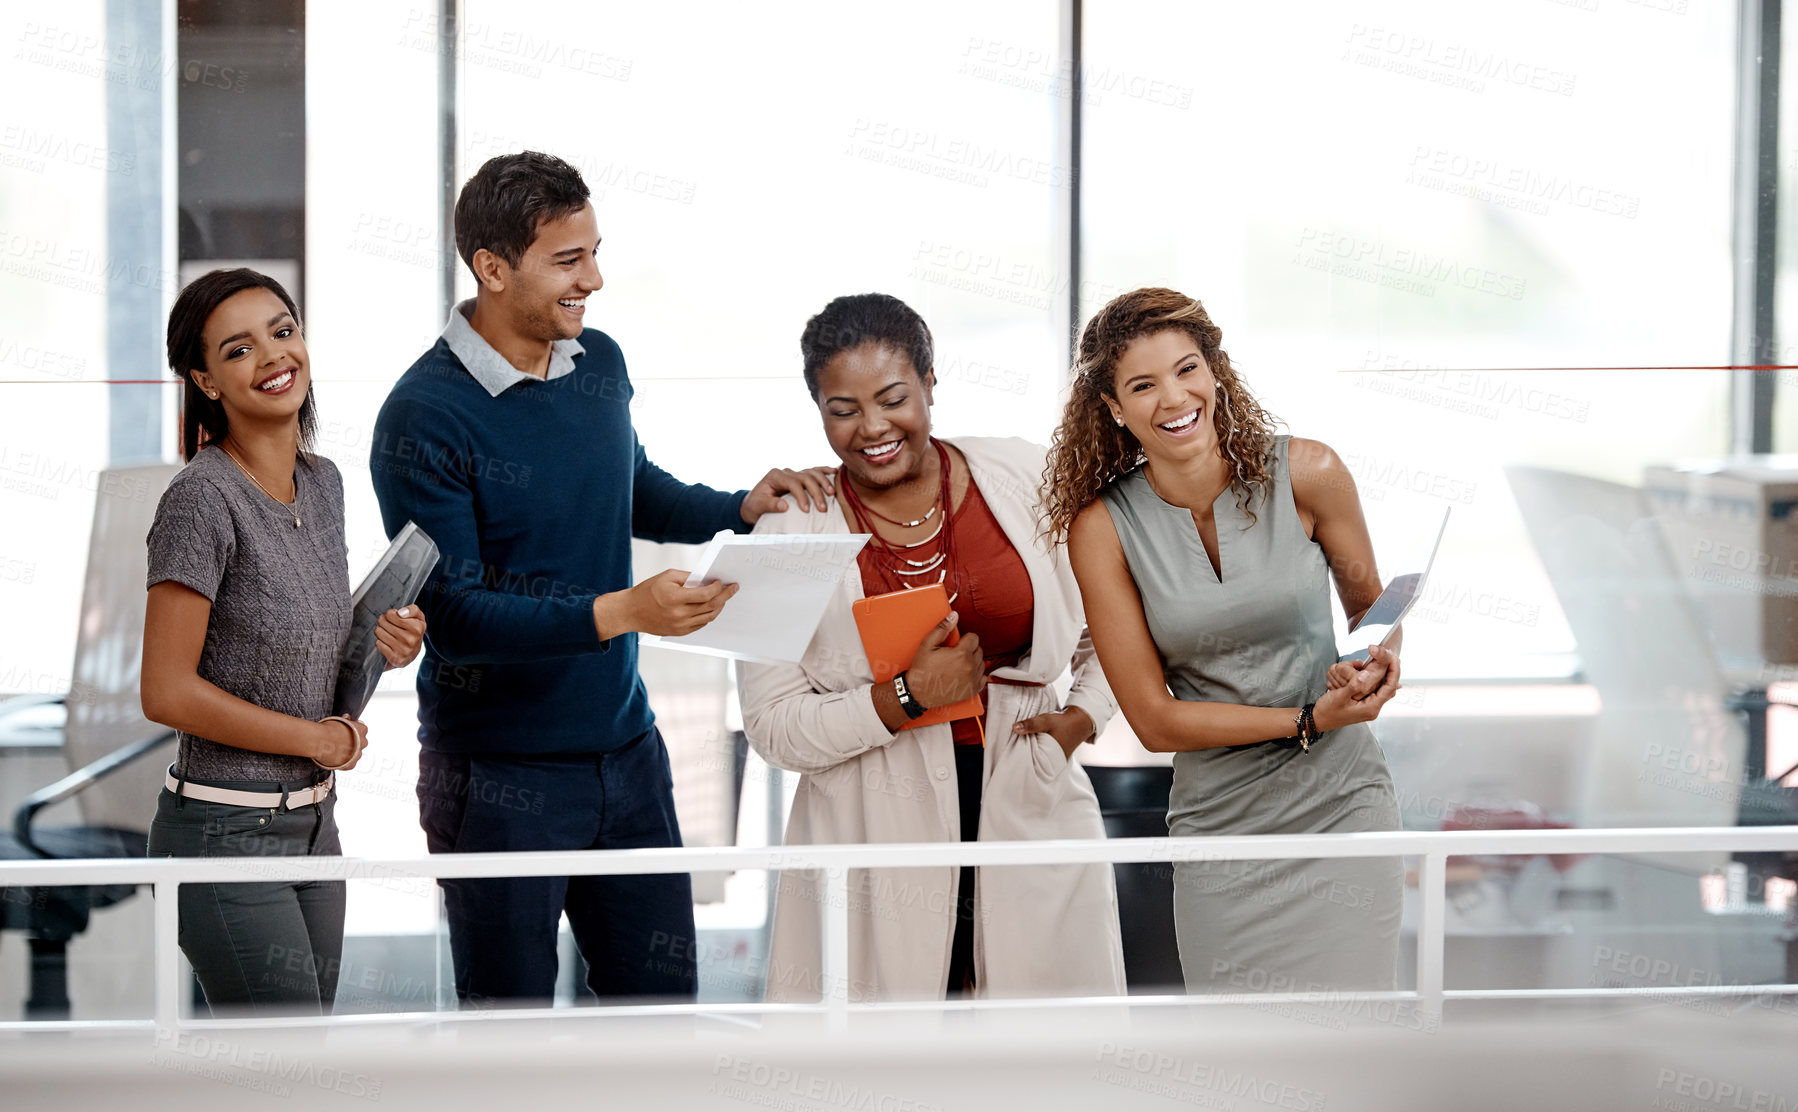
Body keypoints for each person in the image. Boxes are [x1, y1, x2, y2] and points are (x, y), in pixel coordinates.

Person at [369, 151, 834, 1006]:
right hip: (498, 781)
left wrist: (737, 505)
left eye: (595, 251)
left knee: (656, 1015)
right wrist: (627, 611)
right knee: (509, 1042)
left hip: (627, 755)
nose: (597, 279)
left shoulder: (598, 362)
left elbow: (628, 485)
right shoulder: (423, 415)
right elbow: (460, 615)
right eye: (569, 260)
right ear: (492, 268)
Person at [738, 293, 1125, 1003]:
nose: (872, 428)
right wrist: (904, 697)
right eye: (842, 409)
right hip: (868, 825)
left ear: (930, 383)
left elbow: (1111, 629)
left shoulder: (1029, 477)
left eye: (893, 398)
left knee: (1047, 1059)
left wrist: (1082, 720)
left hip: (1028, 798)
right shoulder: (789, 529)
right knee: (886, 1065)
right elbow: (772, 727)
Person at [1046, 286, 1405, 994]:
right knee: (1240, 1055)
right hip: (1221, 825)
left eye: (1187, 369)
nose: (1174, 398)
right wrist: (1304, 720)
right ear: (1114, 408)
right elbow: (1152, 719)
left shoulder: (1311, 472)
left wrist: (1375, 668)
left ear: (1215, 372)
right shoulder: (1102, 530)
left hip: (1342, 805)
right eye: (1143, 385)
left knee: (1356, 1049)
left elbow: (1376, 615)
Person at [142, 268, 426, 1015]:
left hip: (312, 822)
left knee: (290, 1064)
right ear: (205, 379)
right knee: (281, 1064)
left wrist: (384, 644)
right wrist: (313, 738)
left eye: (283, 330)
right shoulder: (200, 500)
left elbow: (313, 669)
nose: (273, 356)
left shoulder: (324, 482)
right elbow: (164, 690)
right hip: (221, 829)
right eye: (239, 350)